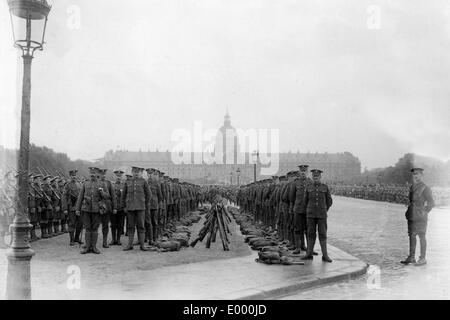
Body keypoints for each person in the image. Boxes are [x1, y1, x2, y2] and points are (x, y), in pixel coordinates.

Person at [401, 168, 434, 266]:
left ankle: (422, 258)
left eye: (418, 174)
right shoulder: (412, 186)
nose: (416, 176)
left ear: (422, 175)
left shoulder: (425, 188)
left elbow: (431, 203)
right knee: (411, 235)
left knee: (421, 236)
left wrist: (424, 212)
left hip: (420, 216)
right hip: (411, 215)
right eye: (414, 174)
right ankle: (411, 257)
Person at [302, 169, 333, 262]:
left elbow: (329, 201)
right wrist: (309, 210)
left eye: (317, 177)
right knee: (310, 234)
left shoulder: (325, 187)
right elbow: (305, 201)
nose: (316, 178)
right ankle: (309, 254)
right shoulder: (308, 187)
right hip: (311, 215)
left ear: (320, 177)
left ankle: (325, 255)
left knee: (322, 234)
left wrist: (324, 209)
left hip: (322, 216)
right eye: (314, 177)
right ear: (312, 177)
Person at [75, 167, 104, 254]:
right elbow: (80, 197)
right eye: (91, 173)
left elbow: (107, 196)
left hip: (96, 209)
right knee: (87, 228)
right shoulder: (85, 183)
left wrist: (102, 192)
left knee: (94, 228)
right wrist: (77, 209)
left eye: (94, 173)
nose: (92, 175)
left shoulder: (101, 184)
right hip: (86, 209)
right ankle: (87, 247)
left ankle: (94, 247)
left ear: (97, 174)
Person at [122, 166, 151, 251]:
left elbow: (148, 195)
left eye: (138, 172)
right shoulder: (128, 182)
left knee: (141, 226)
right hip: (130, 208)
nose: (136, 173)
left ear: (141, 173)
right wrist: (124, 206)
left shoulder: (143, 182)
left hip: (140, 208)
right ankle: (130, 245)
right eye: (134, 171)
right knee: (130, 226)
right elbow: (123, 195)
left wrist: (144, 204)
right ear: (132, 172)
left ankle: (142, 245)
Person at [62, 170, 83, 246]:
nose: (74, 177)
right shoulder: (67, 185)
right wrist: (65, 208)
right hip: (71, 207)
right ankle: (71, 240)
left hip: (79, 208)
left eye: (74, 176)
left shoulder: (80, 184)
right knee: (72, 224)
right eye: (72, 176)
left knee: (80, 223)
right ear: (70, 176)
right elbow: (64, 197)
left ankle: (77, 238)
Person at [110, 170, 125, 246]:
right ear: (115, 177)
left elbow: (125, 197)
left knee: (120, 225)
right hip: (113, 208)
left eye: (120, 176)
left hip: (121, 208)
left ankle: (118, 239)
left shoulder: (124, 185)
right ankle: (113, 239)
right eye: (117, 176)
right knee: (113, 224)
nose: (118, 178)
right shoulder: (111, 185)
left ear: (121, 177)